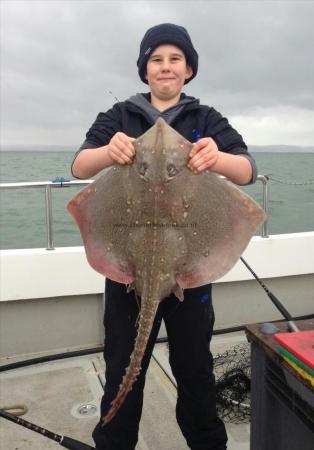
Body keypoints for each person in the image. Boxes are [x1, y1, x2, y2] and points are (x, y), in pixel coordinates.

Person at [71, 23, 257, 450]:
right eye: (157, 59)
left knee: (194, 370)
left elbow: (245, 170)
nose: (166, 67)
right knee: (121, 366)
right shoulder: (121, 116)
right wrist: (109, 151)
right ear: (145, 69)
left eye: (175, 59)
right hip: (128, 271)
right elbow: (81, 166)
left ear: (188, 69)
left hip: (188, 270)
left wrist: (217, 156)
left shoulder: (203, 117)